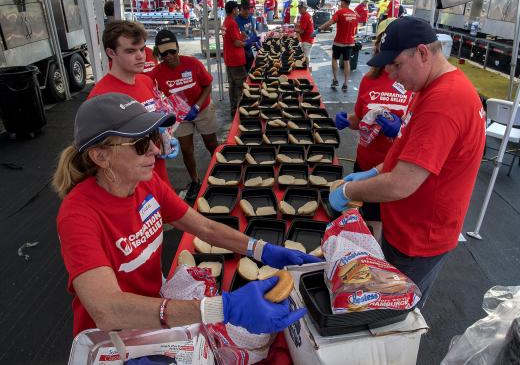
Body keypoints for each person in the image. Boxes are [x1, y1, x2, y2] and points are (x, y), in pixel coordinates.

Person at [53, 92, 321, 336]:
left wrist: (261, 249)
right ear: (101, 157)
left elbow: (206, 228)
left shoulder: (146, 183)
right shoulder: (78, 214)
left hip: (154, 310)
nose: (156, 150)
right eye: (140, 144)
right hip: (113, 335)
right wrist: (221, 308)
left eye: (154, 136)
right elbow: (106, 309)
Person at [329, 17, 486, 307]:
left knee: (395, 313)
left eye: (397, 65)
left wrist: (349, 192)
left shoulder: (444, 102)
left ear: (423, 53)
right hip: (405, 226)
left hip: (420, 236)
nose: (391, 73)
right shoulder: (428, 87)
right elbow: (405, 150)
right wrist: (373, 172)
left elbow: (402, 183)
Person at [334, 18, 410, 239]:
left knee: (393, 222)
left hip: (395, 168)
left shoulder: (413, 82)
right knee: (369, 218)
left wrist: (400, 130)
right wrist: (347, 120)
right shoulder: (369, 79)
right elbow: (360, 119)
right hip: (366, 162)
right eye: (380, 42)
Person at [89, 20, 178, 187]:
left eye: (142, 49)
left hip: (158, 177)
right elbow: (96, 154)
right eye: (130, 51)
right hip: (129, 186)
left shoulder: (146, 81)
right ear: (111, 53)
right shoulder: (100, 98)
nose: (141, 56)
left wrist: (164, 138)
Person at [149, 30, 219, 202]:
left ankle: (221, 173)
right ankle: (195, 181)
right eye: (164, 53)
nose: (169, 56)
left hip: (201, 110)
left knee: (212, 144)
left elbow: (208, 85)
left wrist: (196, 106)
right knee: (186, 149)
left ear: (178, 48)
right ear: (158, 53)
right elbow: (151, 93)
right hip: (180, 115)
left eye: (172, 51)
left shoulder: (193, 63)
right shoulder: (156, 73)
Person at [317, 0, 358, 92]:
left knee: (334, 59)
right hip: (350, 42)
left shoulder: (340, 12)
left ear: (343, 2)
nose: (340, 3)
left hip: (339, 42)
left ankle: (335, 80)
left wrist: (319, 28)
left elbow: (330, 22)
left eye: (341, 2)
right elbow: (355, 31)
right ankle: (345, 84)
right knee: (346, 61)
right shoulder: (354, 14)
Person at [222, 1, 247, 117]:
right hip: (236, 60)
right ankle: (240, 110)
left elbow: (232, 39)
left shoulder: (226, 22)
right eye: (237, 8)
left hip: (229, 58)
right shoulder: (232, 23)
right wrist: (247, 42)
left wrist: (241, 37)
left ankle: (234, 109)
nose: (238, 10)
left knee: (232, 86)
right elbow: (237, 43)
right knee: (240, 86)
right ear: (233, 10)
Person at [236, 0, 259, 73]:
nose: (247, 11)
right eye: (245, 9)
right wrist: (251, 40)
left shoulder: (249, 17)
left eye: (248, 9)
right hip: (244, 49)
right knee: (248, 70)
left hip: (251, 47)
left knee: (254, 67)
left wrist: (257, 37)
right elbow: (243, 33)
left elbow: (253, 29)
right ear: (240, 9)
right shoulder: (237, 20)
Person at [295, 2, 314, 66]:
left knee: (306, 56)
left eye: (301, 8)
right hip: (307, 38)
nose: (299, 9)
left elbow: (301, 31)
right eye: (299, 8)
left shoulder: (305, 16)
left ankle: (307, 69)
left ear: (305, 8)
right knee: (305, 56)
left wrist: (294, 30)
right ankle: (307, 68)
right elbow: (302, 26)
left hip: (307, 39)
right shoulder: (305, 15)